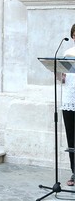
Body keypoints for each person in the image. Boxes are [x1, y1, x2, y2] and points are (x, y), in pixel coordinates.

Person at [61, 24, 75, 186]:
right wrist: (60, 75)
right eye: (74, 34)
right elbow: (63, 79)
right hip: (69, 99)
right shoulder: (67, 53)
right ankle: (74, 172)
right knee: (72, 138)